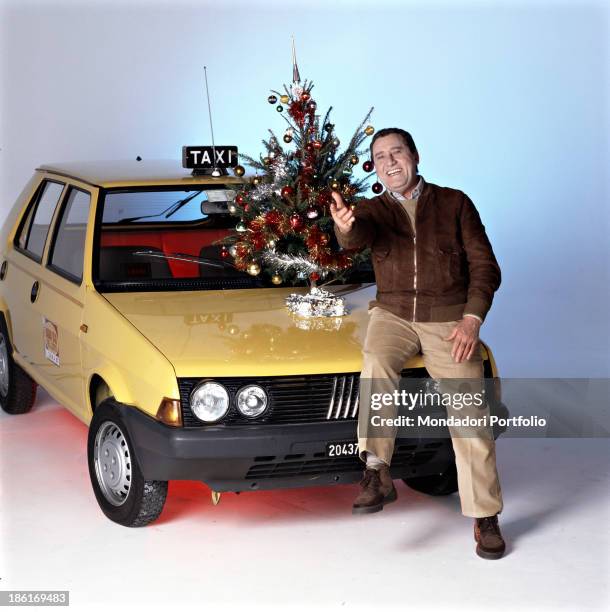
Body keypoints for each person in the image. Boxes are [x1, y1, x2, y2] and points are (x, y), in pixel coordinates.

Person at [330, 128, 506, 560]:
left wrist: (471, 320)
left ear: (415, 156)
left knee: (471, 414)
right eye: (379, 156)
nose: (389, 162)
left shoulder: (454, 203)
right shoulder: (372, 210)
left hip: (448, 318)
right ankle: (376, 471)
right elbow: (357, 236)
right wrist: (344, 228)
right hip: (392, 314)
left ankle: (485, 517)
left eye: (397, 153)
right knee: (375, 359)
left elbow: (485, 266)